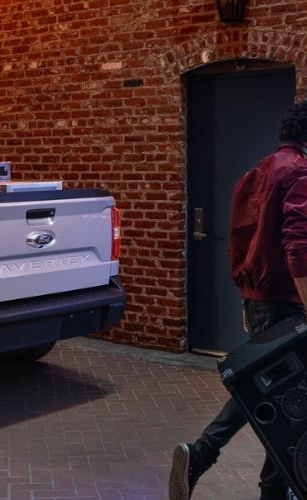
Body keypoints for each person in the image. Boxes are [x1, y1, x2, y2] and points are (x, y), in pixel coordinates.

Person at [168, 100, 307, 500]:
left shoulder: (259, 171)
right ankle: (252, 478)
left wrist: (247, 296)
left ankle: (205, 455)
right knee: (288, 404)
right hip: (287, 303)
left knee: (267, 390)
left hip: (262, 299)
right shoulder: (299, 172)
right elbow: (299, 248)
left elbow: (240, 239)